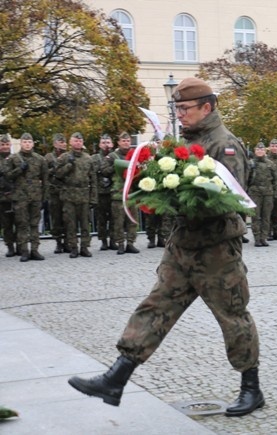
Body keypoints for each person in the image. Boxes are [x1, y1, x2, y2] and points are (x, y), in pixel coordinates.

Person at [68, 77, 264, 417]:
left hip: (217, 250)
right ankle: (116, 379)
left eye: (185, 109)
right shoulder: (181, 143)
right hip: (183, 247)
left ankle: (252, 388)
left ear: (207, 107)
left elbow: (231, 198)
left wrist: (184, 201)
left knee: (232, 316)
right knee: (155, 307)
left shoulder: (224, 144)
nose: (180, 115)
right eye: (176, 109)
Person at [6, 133, 48, 262]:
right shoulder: (13, 159)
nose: (27, 144)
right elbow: (8, 176)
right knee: (22, 224)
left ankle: (35, 250)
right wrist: (19, 169)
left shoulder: (40, 159)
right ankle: (24, 251)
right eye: (25, 142)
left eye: (29, 142)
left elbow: (45, 180)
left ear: (33, 143)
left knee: (34, 224)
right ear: (21, 143)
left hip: (35, 196)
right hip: (20, 196)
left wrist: (44, 198)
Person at [55, 132, 98, 258]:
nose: (78, 143)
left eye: (80, 141)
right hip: (69, 195)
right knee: (70, 223)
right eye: (75, 140)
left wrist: (93, 198)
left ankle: (84, 247)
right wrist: (69, 165)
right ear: (70, 142)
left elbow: (93, 179)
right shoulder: (64, 157)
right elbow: (57, 175)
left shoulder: (88, 158)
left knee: (85, 224)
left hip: (84, 194)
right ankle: (73, 247)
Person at [106, 132, 140, 255]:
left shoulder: (134, 155)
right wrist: (115, 167)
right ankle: (120, 243)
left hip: (131, 193)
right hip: (118, 193)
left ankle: (130, 243)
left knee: (132, 220)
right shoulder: (112, 156)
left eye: (128, 141)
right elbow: (104, 171)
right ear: (119, 142)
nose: (126, 143)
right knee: (118, 221)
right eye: (123, 141)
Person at [248, 142, 277, 247]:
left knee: (266, 217)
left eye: (262, 150)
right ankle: (257, 238)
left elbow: (275, 180)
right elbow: (246, 179)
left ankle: (263, 238)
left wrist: (275, 193)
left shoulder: (270, 164)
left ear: (265, 151)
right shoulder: (250, 164)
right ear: (255, 151)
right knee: (256, 217)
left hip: (268, 193)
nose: (260, 151)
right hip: (255, 193)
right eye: (258, 150)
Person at [44, 133, 69, 253]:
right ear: (55, 144)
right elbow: (44, 173)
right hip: (54, 192)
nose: (63, 144)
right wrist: (54, 168)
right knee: (56, 217)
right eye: (60, 142)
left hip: (67, 190)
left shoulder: (69, 156)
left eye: (64, 142)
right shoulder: (49, 157)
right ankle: (58, 242)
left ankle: (68, 241)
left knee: (68, 218)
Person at [92, 134, 117, 250]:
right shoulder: (95, 158)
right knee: (101, 219)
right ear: (99, 145)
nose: (106, 145)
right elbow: (96, 171)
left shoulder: (115, 156)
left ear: (112, 144)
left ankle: (113, 240)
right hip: (100, 192)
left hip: (113, 191)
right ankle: (103, 241)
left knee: (113, 218)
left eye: (108, 142)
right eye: (103, 143)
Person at [0, 134, 17, 257]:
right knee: (7, 224)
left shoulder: (16, 158)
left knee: (20, 222)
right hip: (2, 197)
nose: (5, 147)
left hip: (16, 195)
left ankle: (21, 246)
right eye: (2, 145)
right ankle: (10, 246)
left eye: (7, 144)